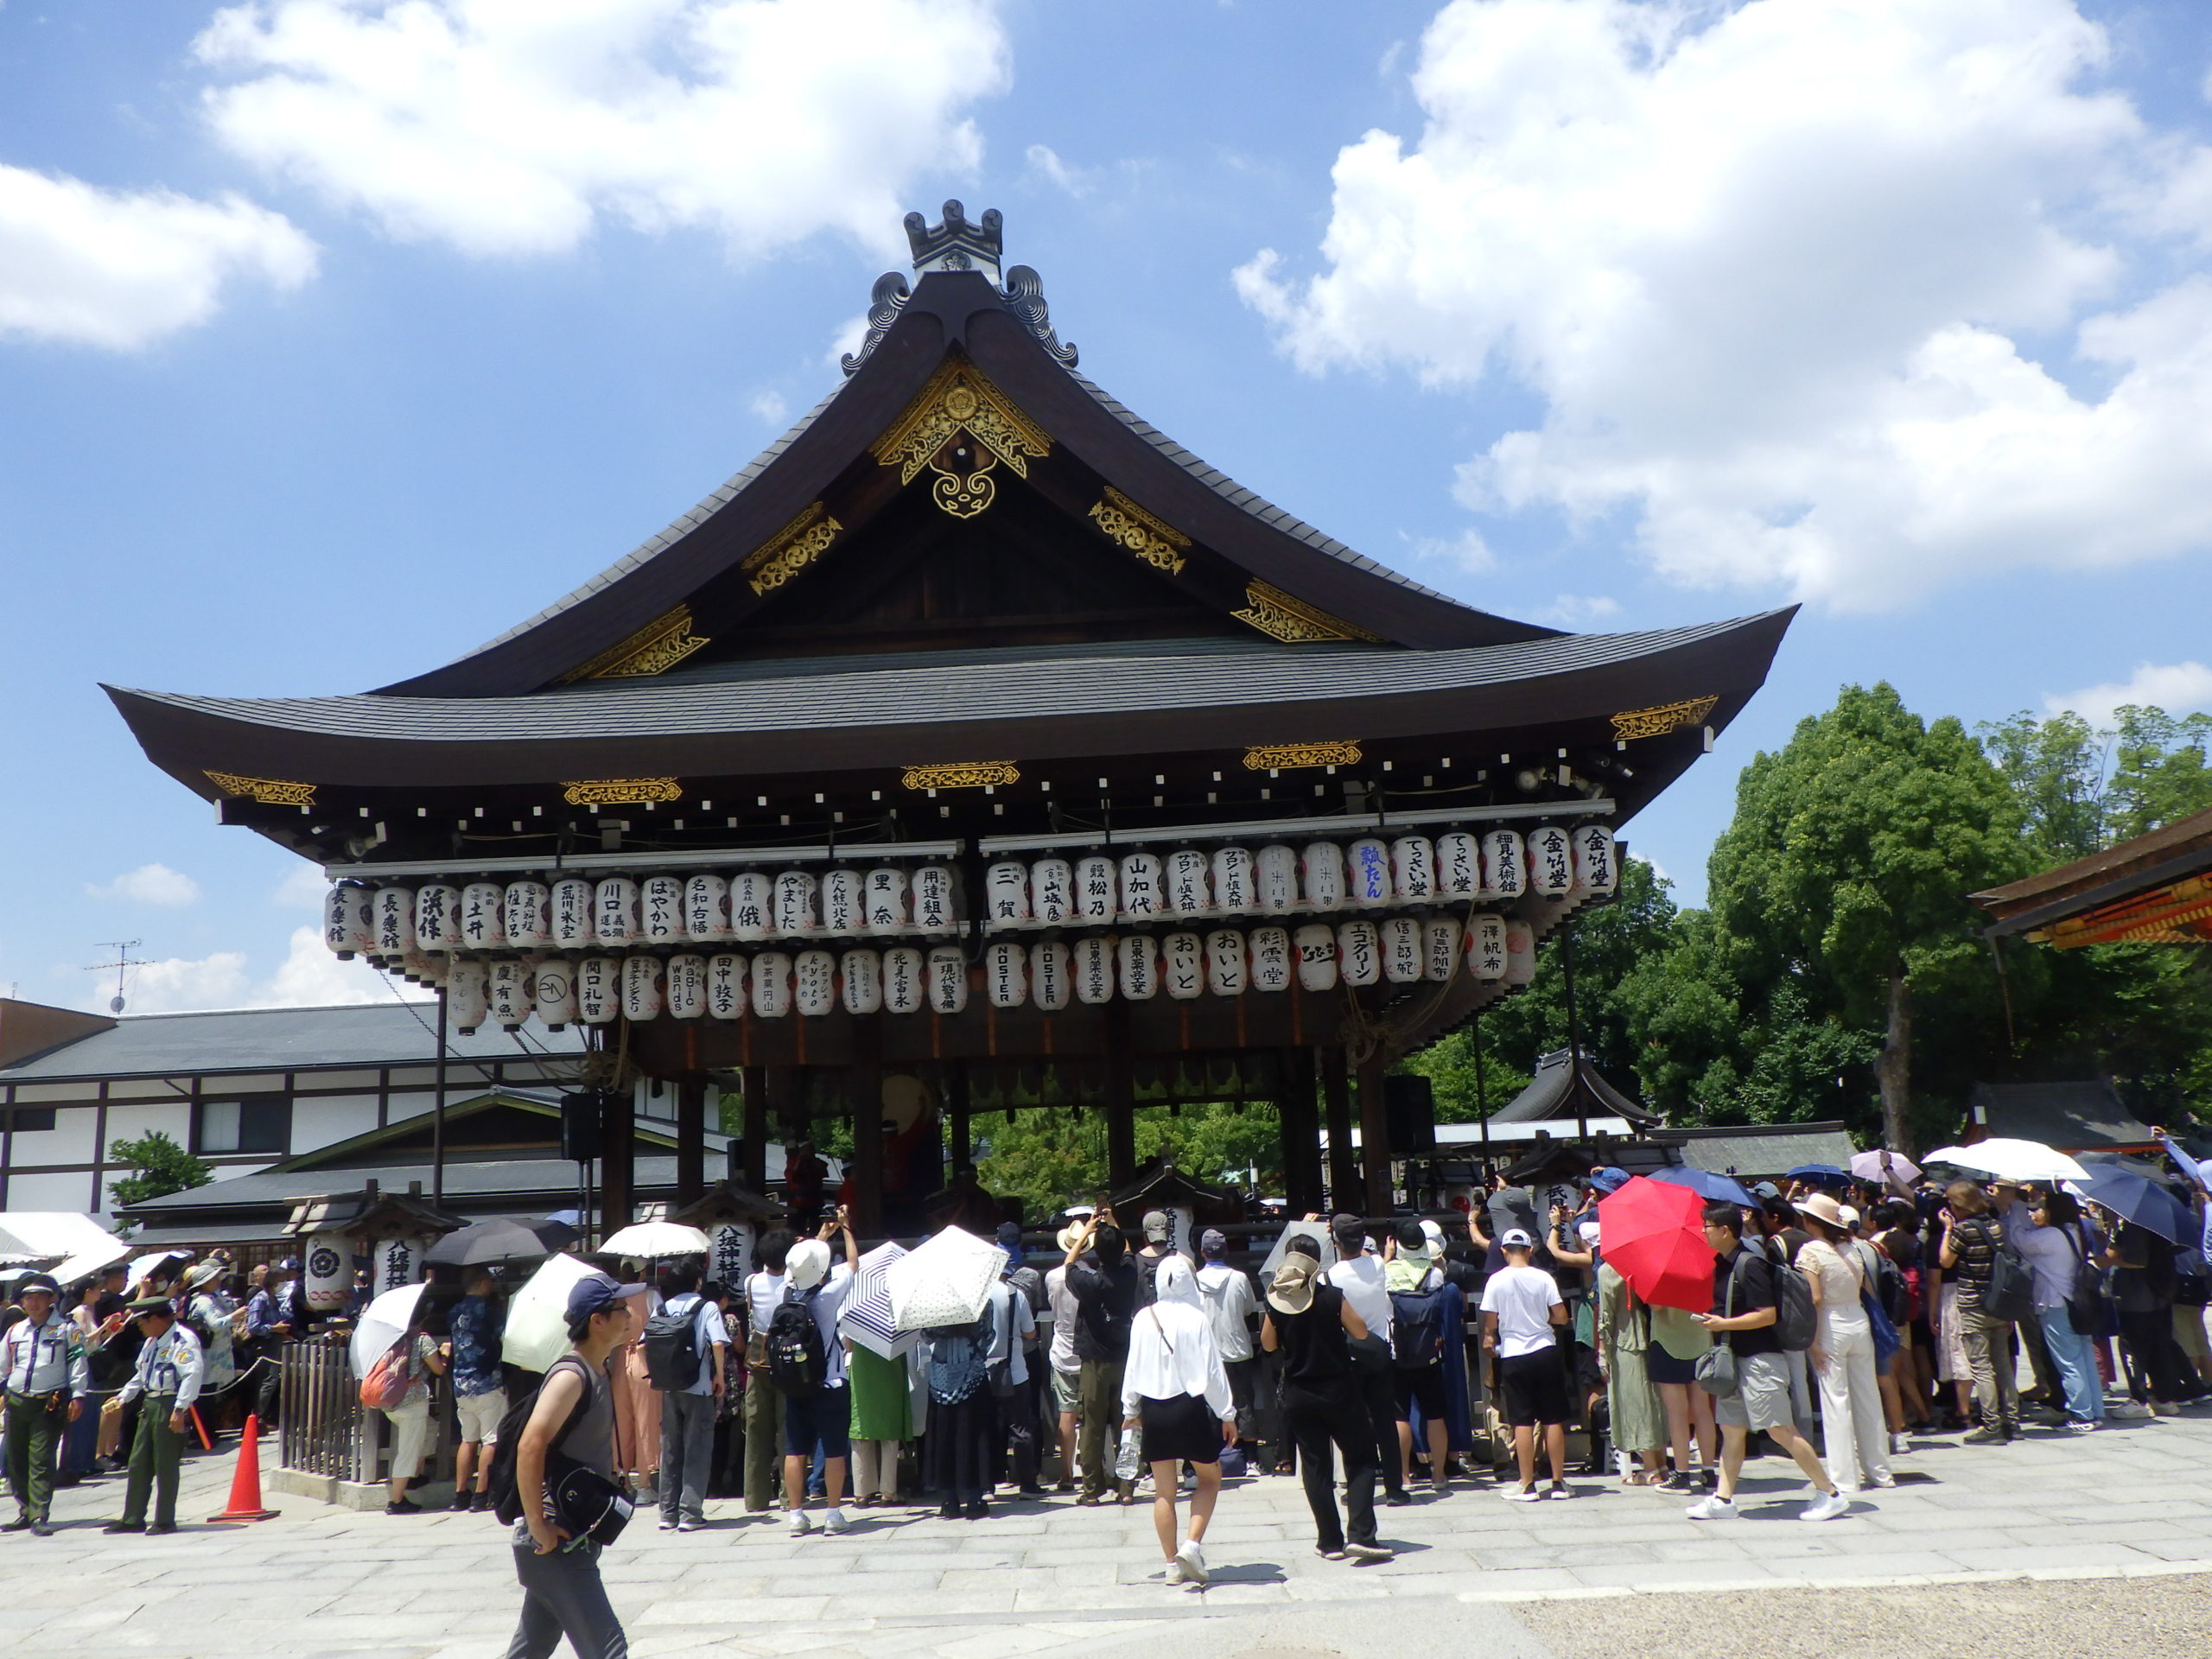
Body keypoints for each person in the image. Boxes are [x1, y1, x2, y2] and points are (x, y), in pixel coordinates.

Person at [506, 1270, 640, 1659]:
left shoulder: (599, 1369)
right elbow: (530, 1446)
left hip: (572, 1537)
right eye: (621, 1308)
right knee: (609, 1651)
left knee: (530, 1650)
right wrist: (538, 1526)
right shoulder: (571, 1376)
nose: (630, 1314)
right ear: (597, 1320)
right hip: (557, 1542)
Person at [1687, 1203, 1848, 1522]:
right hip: (1735, 1358)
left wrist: (1723, 1324)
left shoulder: (1751, 1264)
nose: (1703, 1232)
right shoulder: (1722, 1264)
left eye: (1707, 1226)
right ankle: (1723, 1499)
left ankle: (1830, 1493)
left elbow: (1767, 1315)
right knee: (1732, 1430)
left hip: (1760, 1360)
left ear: (1725, 1231)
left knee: (1780, 1430)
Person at [1261, 1245, 1391, 1562]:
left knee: (1315, 1467)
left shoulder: (1276, 1303)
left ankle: (1329, 1541)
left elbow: (1268, 1343)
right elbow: (1360, 1331)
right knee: (1361, 1458)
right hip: (1339, 1389)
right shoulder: (1332, 1297)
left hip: (1299, 1393)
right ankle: (1361, 1534)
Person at [1122, 1256, 1236, 1586]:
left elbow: (1132, 1366)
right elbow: (1213, 1370)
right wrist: (1227, 1412)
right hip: (1189, 1405)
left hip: (1153, 1409)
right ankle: (1192, 1544)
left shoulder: (1143, 1317)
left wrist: (1130, 1410)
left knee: (1164, 1491)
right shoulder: (1196, 1318)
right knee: (1210, 1479)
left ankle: (1171, 1563)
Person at [1796, 1193, 1891, 1491]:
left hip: (1830, 1323)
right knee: (1868, 1397)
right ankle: (1880, 1471)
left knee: (1835, 1401)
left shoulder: (1810, 1251)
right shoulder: (1853, 1248)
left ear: (1811, 1221)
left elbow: (1815, 1298)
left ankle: (1844, 1477)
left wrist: (1812, 1341)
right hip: (1858, 1320)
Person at [781, 1208, 859, 1535]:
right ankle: (833, 1514)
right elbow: (853, 1264)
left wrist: (820, 1238)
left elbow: (805, 1267)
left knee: (795, 1450)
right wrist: (846, 1229)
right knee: (835, 1449)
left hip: (795, 1383)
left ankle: (796, 1515)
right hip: (829, 1383)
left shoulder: (785, 1293)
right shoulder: (827, 1297)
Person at [1480, 1229, 1573, 1501]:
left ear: (1504, 1251)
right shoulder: (1544, 1278)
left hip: (1514, 1353)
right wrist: (1542, 1319)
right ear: (1530, 1250)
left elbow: (1490, 1323)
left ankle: (1527, 1484)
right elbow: (1561, 1316)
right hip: (1545, 1349)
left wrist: (1490, 1338)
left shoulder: (1496, 1280)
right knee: (1553, 1418)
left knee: (1522, 1420)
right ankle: (1558, 1482)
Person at [102, 1295, 204, 1535]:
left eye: (142, 1321)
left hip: (169, 1403)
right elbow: (140, 1374)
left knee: (165, 1463)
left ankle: (165, 1519)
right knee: (138, 1462)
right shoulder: (151, 1342)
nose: (140, 1326)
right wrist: (122, 1397)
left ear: (156, 1318)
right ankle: (132, 1518)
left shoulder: (182, 1339)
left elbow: (192, 1374)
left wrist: (180, 1408)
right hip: (150, 1403)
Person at [1325, 1213, 1407, 1506]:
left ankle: (1358, 1487)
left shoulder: (1331, 1276)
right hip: (1380, 1351)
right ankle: (1395, 1488)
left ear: (1336, 1243)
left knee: (1354, 1425)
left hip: (1349, 1355)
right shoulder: (1378, 1264)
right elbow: (1369, 1256)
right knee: (1386, 1422)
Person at [1065, 1210, 1141, 1504]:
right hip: (1124, 1358)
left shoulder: (1091, 1283)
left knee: (1092, 1427)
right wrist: (1113, 1224)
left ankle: (1092, 1490)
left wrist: (1086, 1232)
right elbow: (1128, 1252)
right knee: (1127, 1423)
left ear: (1096, 1252)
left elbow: (1069, 1264)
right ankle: (1126, 1488)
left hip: (1094, 1359)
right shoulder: (1128, 1275)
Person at [3, 1274, 87, 1535]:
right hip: (17, 1400)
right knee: (15, 1459)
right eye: (29, 1298)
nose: (33, 1302)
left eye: (39, 1297)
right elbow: (4, 1364)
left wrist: (78, 1395)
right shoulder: (16, 1330)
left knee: (40, 1458)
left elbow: (78, 1363)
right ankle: (25, 1510)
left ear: (51, 1299)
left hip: (47, 1403)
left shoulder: (67, 1328)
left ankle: (40, 1514)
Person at [1938, 1181, 2020, 1442]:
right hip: (1998, 1303)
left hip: (1973, 1304)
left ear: (1958, 1205)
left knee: (1982, 1367)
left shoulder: (1964, 1229)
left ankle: (1992, 1425)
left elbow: (1945, 1260)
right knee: (2003, 1365)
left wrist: (1947, 1230)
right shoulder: (1996, 1226)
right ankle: (2012, 1422)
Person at [2017, 1191, 2103, 1432]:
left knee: (2068, 1362)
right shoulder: (2075, 1231)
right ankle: (2094, 1410)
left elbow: (2019, 1240)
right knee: (2084, 1359)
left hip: (2056, 1303)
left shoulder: (2052, 1235)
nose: (2038, 1213)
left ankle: (2082, 1414)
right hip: (2076, 1303)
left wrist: (2016, 1208)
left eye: (2042, 1208)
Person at [652, 1262, 728, 1533]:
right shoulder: (707, 1307)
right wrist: (719, 1376)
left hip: (669, 1388)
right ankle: (690, 1513)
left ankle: (667, 1513)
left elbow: (643, 1344)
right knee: (697, 1449)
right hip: (698, 1387)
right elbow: (717, 1342)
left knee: (671, 1449)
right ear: (697, 1281)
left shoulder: (662, 1308)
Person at [1384, 1219, 1455, 1493]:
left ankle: (1404, 1476)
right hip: (1429, 1352)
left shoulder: (1387, 1273)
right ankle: (1438, 1474)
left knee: (1399, 1415)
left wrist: (1387, 1257)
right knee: (1435, 1414)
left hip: (1397, 1351)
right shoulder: (1434, 1274)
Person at [1593, 1244, 1667, 1485]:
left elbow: (1606, 1316)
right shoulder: (1649, 1263)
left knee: (1636, 1404)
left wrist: (1602, 1351)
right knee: (1655, 1402)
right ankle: (1661, 1464)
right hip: (1657, 1338)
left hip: (1626, 1341)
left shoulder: (1608, 1270)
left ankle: (1651, 1468)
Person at [1194, 1230, 1259, 1464]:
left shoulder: (1195, 1280)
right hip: (1237, 1348)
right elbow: (1249, 1308)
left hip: (1207, 1353)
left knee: (1210, 1406)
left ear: (1202, 1253)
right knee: (1243, 1404)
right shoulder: (1239, 1278)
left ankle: (1213, 1458)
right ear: (1226, 1251)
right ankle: (1251, 1460)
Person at [446, 1267, 508, 1512]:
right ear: (482, 1282)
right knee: (491, 1440)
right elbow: (504, 1338)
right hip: (487, 1380)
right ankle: (481, 1494)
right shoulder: (488, 1310)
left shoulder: (454, 1311)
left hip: (461, 1382)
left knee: (468, 1439)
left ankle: (460, 1493)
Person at [741, 1230, 794, 1512]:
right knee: (788, 1429)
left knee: (756, 1430)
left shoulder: (750, 1282)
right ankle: (790, 1495)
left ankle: (755, 1497)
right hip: (785, 1359)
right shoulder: (792, 1284)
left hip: (757, 1359)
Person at [379, 1313, 447, 1515]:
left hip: (391, 1400)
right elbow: (439, 1369)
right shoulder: (422, 1340)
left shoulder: (390, 1339)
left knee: (429, 1428)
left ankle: (414, 1475)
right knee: (407, 1452)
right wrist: (444, 1354)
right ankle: (396, 1501)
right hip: (413, 1402)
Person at [1044, 1222, 1086, 1492]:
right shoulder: (1092, 1275)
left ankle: (1067, 1473)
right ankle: (1095, 1470)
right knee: (1093, 1416)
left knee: (1066, 1414)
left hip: (1062, 1350)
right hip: (1088, 1351)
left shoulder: (1052, 1277)